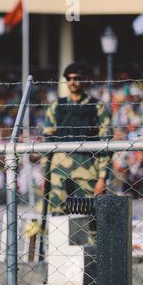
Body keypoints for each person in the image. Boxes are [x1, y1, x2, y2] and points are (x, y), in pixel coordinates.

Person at [42, 63, 112, 214]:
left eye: (77, 78)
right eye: (69, 78)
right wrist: (45, 174)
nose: (72, 82)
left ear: (85, 80)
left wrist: (102, 178)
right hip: (58, 170)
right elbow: (47, 141)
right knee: (57, 218)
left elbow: (106, 144)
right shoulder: (56, 106)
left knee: (90, 217)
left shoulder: (96, 107)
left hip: (86, 169)